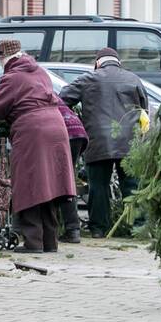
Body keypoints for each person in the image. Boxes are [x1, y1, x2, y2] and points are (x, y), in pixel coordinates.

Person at [0, 39, 76, 253]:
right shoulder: (40, 71)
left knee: (30, 183)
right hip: (56, 127)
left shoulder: (11, 77)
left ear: (2, 58)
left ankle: (33, 242)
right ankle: (50, 242)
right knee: (50, 185)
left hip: (33, 130)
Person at [59, 48, 148, 238]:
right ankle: (138, 227)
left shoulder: (88, 79)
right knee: (131, 185)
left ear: (97, 62)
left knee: (98, 186)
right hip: (129, 141)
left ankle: (99, 228)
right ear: (118, 62)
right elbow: (144, 109)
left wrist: (75, 118)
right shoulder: (133, 79)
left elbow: (62, 99)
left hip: (98, 140)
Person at [56, 96, 88, 244]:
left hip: (64, 132)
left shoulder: (25, 87)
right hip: (77, 131)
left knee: (61, 180)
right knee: (66, 178)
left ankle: (72, 229)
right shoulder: (45, 88)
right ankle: (71, 228)